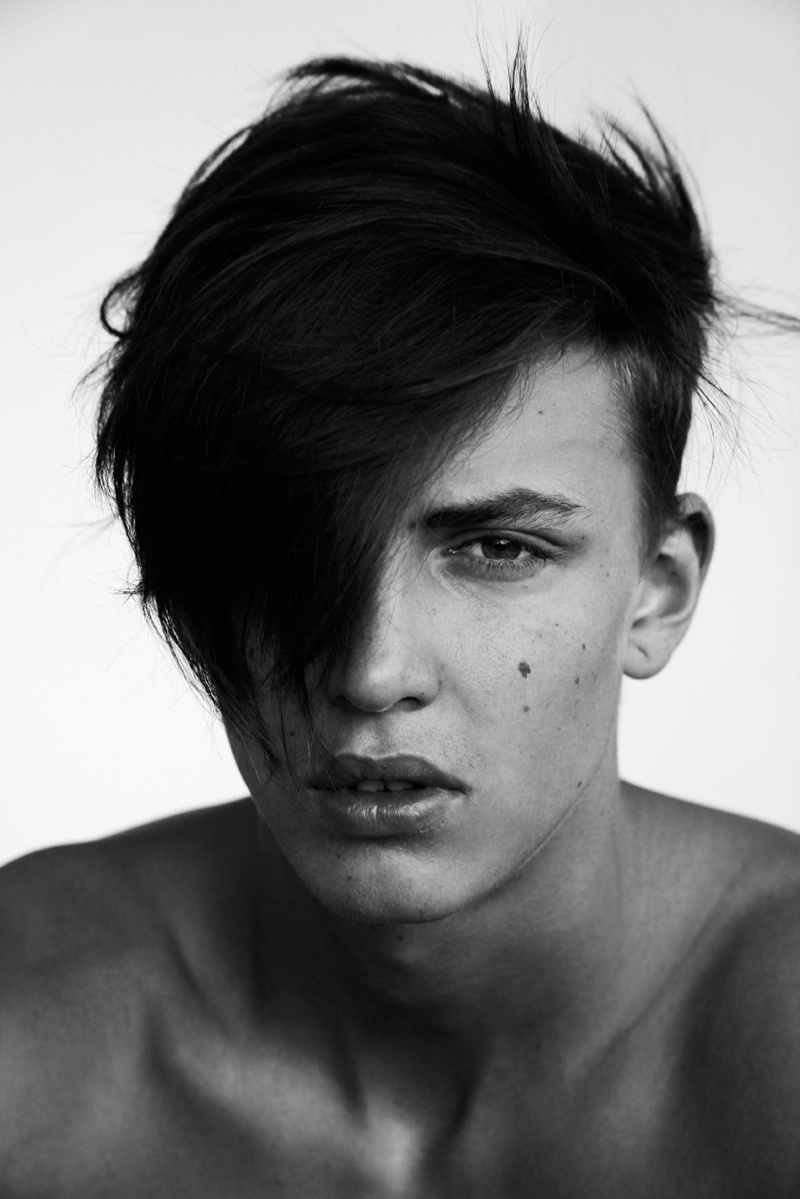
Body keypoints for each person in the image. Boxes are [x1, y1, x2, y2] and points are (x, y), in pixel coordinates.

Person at [1, 38, 799, 1198]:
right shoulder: (34, 1021)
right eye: (287, 551)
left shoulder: (771, 1039)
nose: (370, 672)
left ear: (658, 587)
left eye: (496, 549)